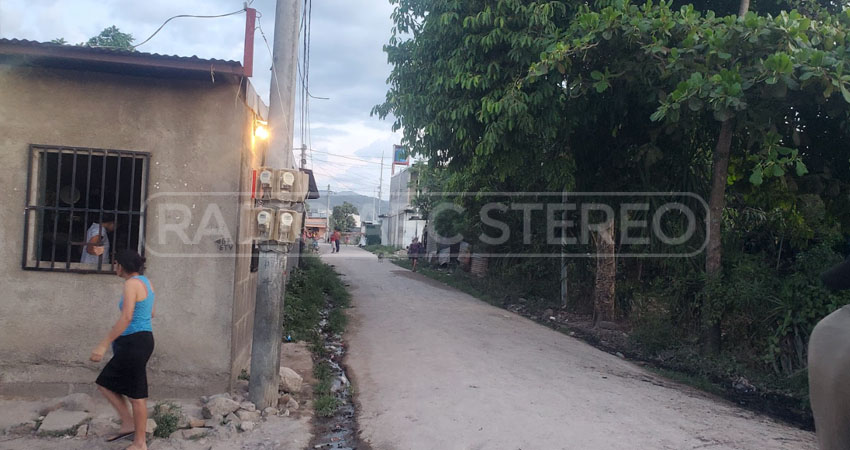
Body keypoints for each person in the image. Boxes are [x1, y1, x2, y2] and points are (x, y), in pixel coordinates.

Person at [90, 249, 155, 450]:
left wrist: (103, 344)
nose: (114, 267)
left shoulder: (131, 284)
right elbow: (151, 312)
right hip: (140, 340)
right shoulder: (145, 282)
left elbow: (126, 317)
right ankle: (128, 424)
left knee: (136, 395)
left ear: (122, 266)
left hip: (134, 342)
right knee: (106, 383)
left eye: (116, 263)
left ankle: (140, 443)